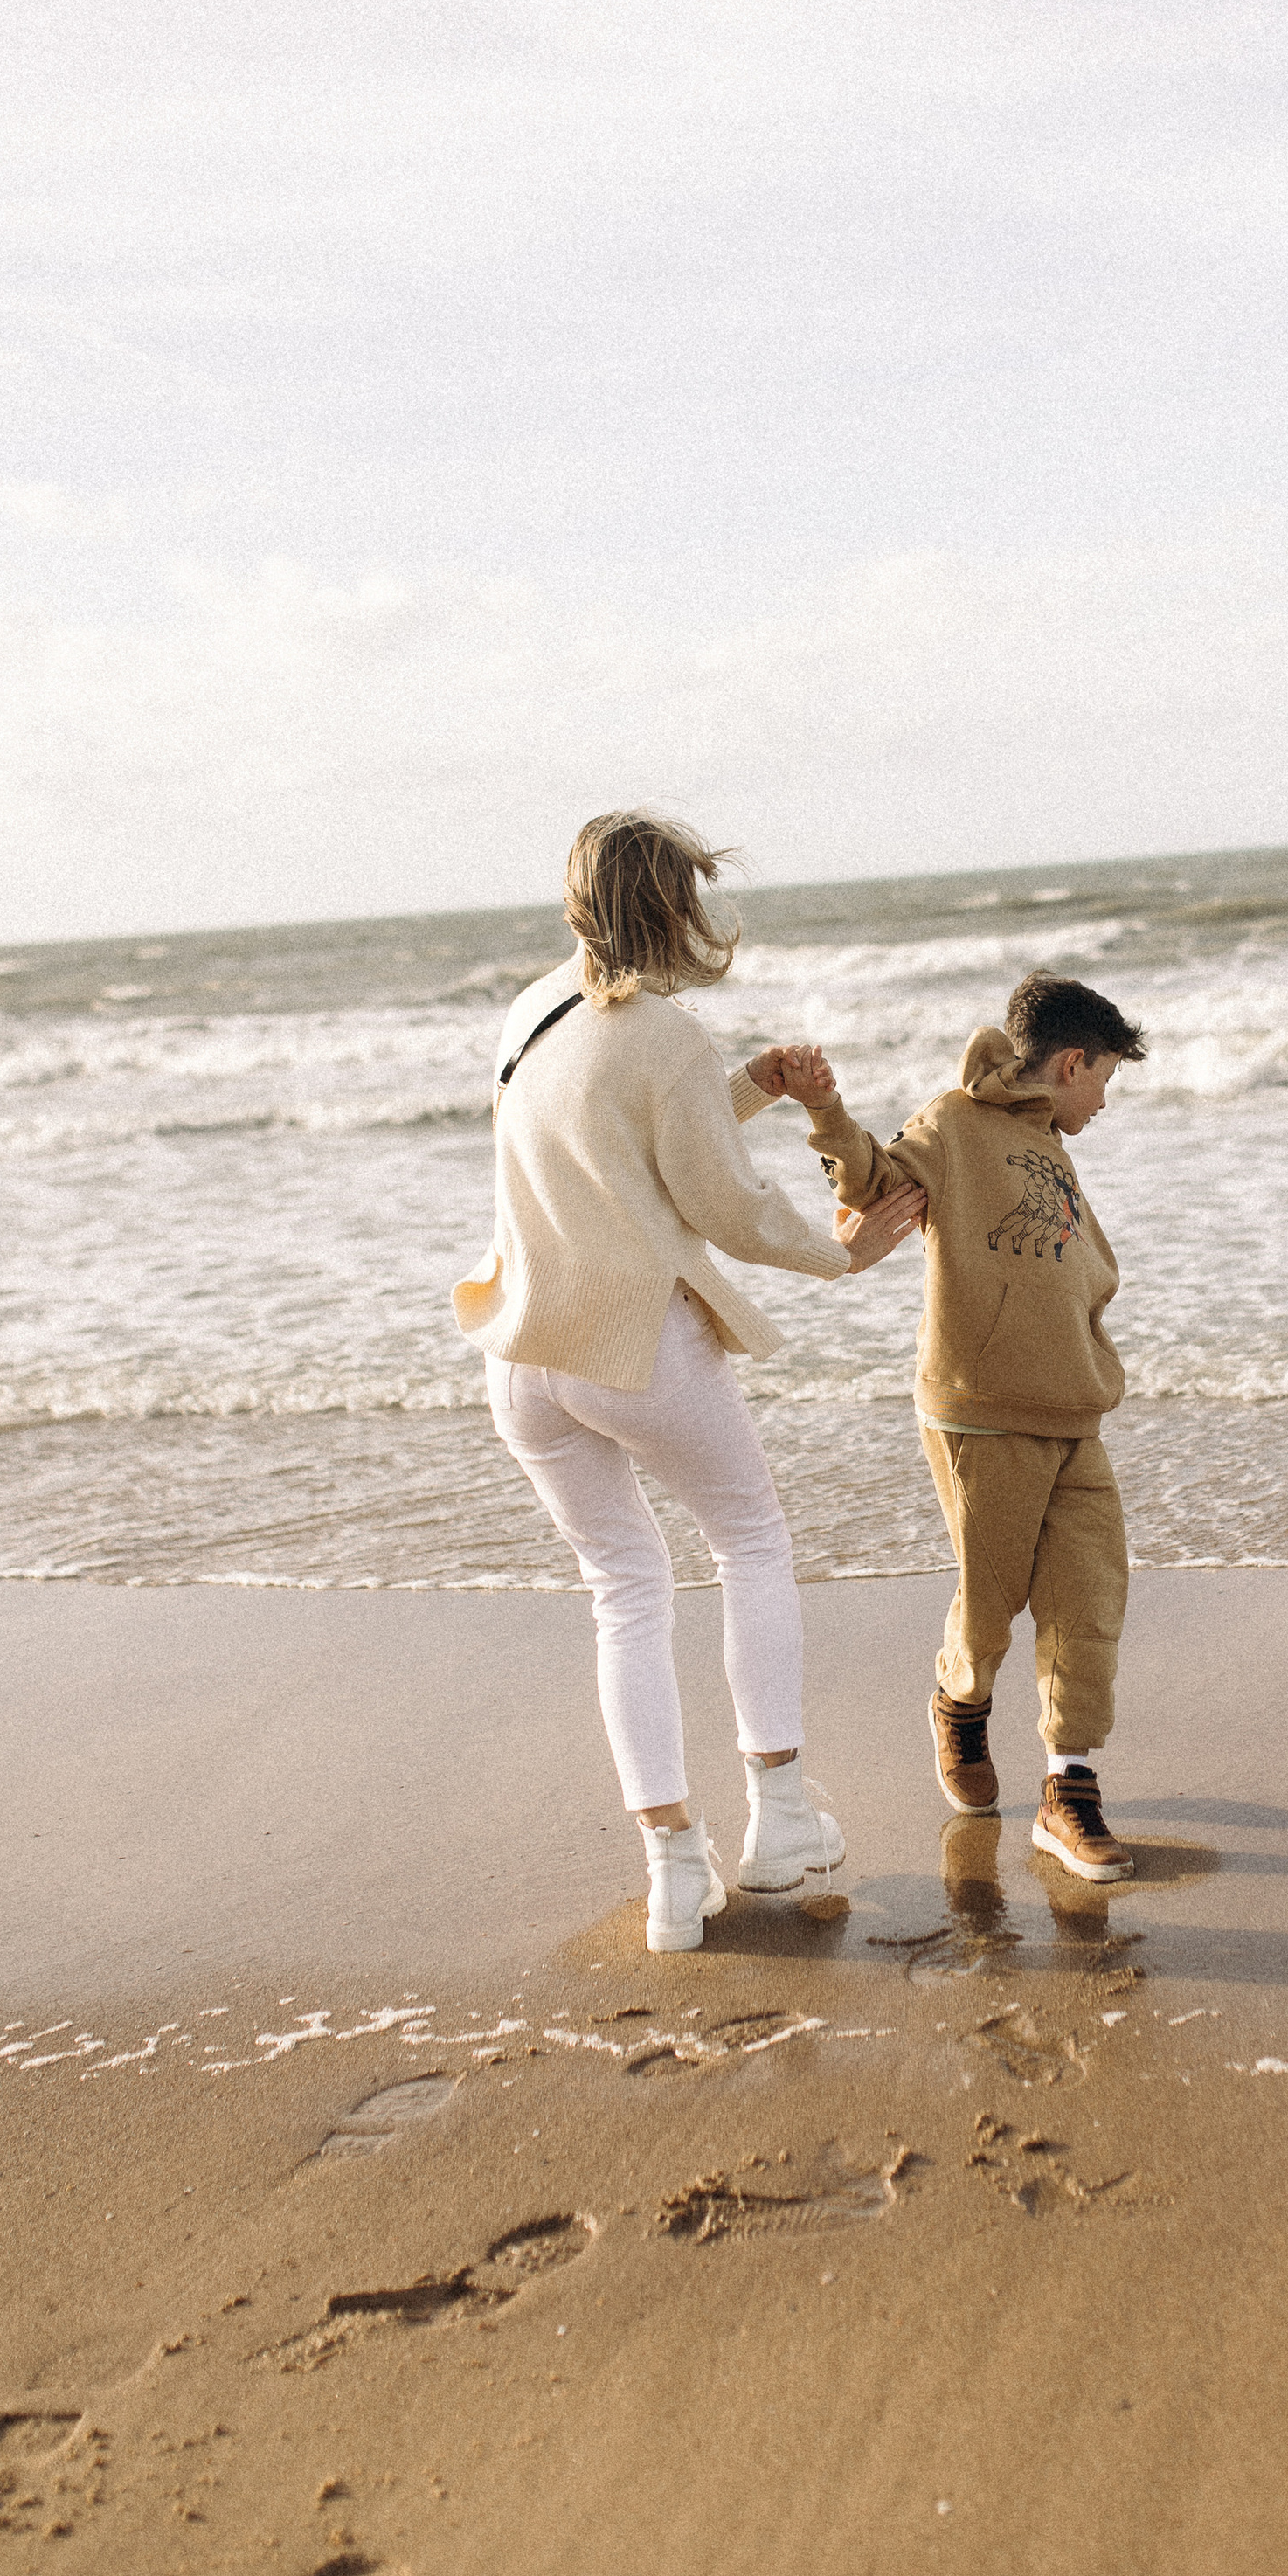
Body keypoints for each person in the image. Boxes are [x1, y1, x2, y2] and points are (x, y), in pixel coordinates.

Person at [452, 813, 923, 1953]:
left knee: (625, 1591)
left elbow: (613, 1139)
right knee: (751, 1540)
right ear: (673, 906)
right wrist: (844, 1253)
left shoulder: (532, 1009)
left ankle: (672, 1873)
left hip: (523, 1355)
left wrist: (746, 1086)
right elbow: (721, 1205)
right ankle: (775, 1821)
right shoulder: (660, 1035)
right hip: (634, 1346)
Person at [790, 968, 1146, 1883]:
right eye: (1104, 1077)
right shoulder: (950, 1126)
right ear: (1071, 1063)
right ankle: (959, 1702)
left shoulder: (1050, 1144)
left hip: (1075, 1412)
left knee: (1087, 1601)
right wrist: (827, 1114)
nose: (1104, 1099)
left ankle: (1069, 1791)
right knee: (990, 1605)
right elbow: (867, 1181)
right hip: (979, 1413)